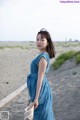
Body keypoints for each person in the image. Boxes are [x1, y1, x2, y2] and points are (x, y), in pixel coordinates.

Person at [27, 28, 55, 120]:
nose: (39, 42)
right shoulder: (42, 55)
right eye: (37, 39)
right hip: (38, 89)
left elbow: (40, 79)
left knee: (41, 115)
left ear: (47, 42)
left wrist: (36, 98)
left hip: (40, 91)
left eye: (42, 39)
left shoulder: (43, 58)